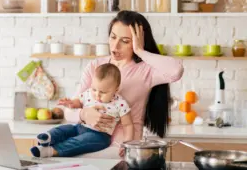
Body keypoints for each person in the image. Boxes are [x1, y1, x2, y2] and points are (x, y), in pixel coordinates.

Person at [62, 10, 184, 157]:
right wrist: (83, 114)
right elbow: (68, 111)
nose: (115, 46)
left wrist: (140, 51)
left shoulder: (146, 70)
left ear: (139, 41)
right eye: (113, 37)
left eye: (125, 41)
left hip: (122, 151)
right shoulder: (95, 66)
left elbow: (176, 71)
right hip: (86, 145)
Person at [30, 63, 134, 158]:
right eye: (94, 89)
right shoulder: (88, 93)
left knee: (79, 142)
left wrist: (127, 143)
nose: (97, 95)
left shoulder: (120, 103)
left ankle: (52, 151)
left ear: (116, 89)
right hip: (80, 127)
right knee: (64, 129)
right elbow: (78, 102)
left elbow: (128, 125)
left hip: (99, 136)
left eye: (103, 92)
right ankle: (48, 137)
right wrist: (70, 103)